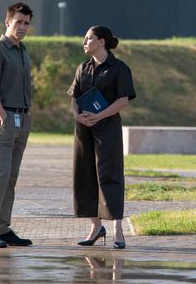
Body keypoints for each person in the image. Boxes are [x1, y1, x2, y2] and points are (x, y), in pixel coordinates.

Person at [67, 25, 136, 249]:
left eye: (88, 39)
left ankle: (117, 228)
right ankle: (96, 227)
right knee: (85, 176)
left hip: (107, 128)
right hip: (83, 130)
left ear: (101, 42)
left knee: (110, 175)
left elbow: (123, 100)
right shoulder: (82, 68)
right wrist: (79, 117)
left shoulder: (119, 68)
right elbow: (74, 98)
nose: (84, 42)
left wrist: (98, 116)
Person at [0, 2, 34, 248]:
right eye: (18, 22)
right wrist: (4, 117)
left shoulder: (22, 51)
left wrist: (25, 114)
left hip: (22, 118)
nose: (22, 27)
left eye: (26, 23)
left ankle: (3, 228)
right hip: (3, 117)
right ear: (7, 21)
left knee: (11, 176)